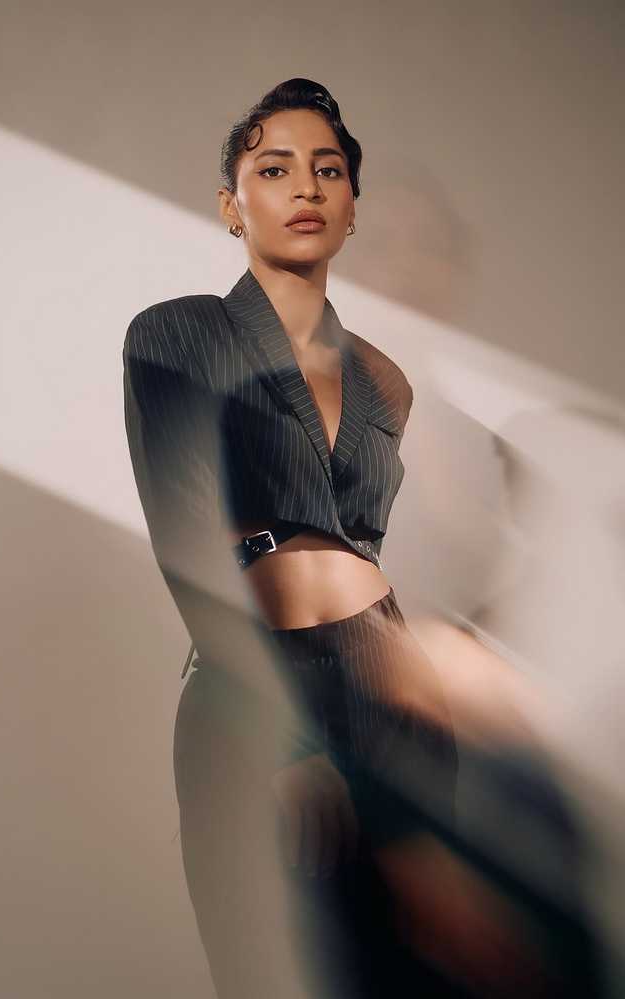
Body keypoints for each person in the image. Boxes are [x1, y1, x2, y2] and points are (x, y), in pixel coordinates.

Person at [123, 79, 473, 998]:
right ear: (231, 206)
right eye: (275, 169)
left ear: (351, 207)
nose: (307, 187)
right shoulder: (178, 332)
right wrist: (280, 733)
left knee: (399, 974)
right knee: (262, 970)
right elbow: (185, 537)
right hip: (250, 687)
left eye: (328, 170)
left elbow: (359, 546)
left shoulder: (386, 383)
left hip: (392, 690)